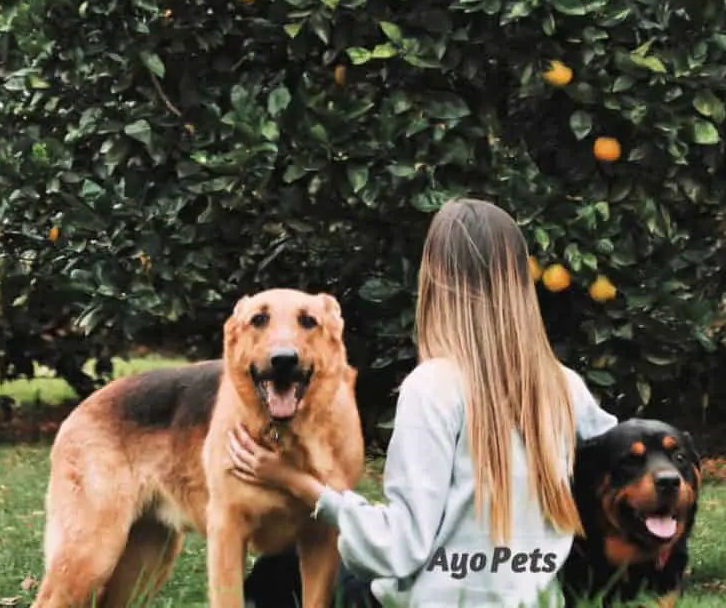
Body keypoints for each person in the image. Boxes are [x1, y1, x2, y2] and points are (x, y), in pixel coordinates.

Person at [227, 197, 619, 608]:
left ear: (435, 280)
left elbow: (400, 548)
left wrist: (301, 484)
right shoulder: (563, 385)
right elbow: (622, 458)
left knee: (285, 566)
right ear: (520, 281)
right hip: (534, 601)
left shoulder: (433, 387)